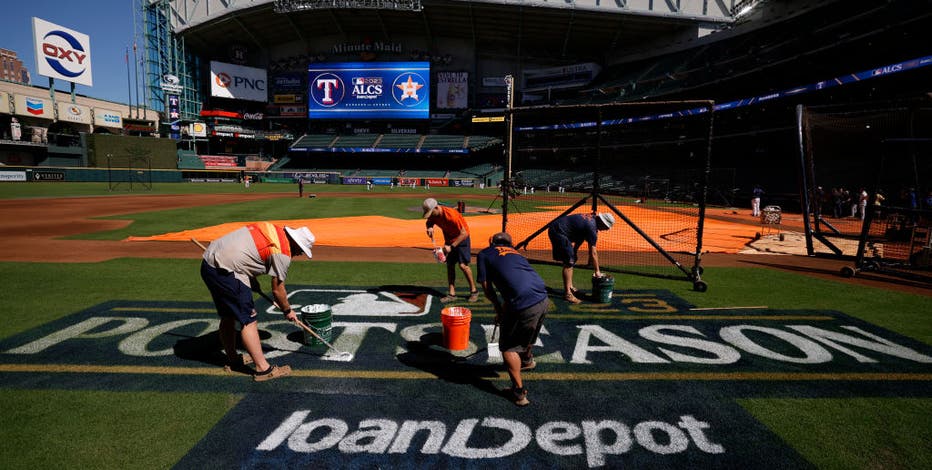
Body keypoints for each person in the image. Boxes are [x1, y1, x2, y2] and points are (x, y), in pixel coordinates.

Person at [200, 222, 315, 381]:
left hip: (209, 265)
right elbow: (277, 290)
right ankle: (263, 369)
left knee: (229, 316)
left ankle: (233, 360)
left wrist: (251, 280)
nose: (299, 254)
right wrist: (287, 310)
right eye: (301, 250)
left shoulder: (274, 230)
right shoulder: (283, 252)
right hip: (227, 271)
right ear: (296, 243)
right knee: (249, 320)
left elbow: (247, 251)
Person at [476, 232, 550, 407]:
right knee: (529, 332)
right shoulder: (516, 253)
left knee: (508, 347)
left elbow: (487, 288)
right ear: (511, 243)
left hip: (523, 302)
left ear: (490, 241)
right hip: (543, 298)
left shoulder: (485, 253)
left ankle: (519, 392)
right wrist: (504, 310)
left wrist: (497, 307)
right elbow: (517, 283)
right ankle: (527, 361)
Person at [547, 212, 615, 304]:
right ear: (602, 222)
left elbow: (581, 235)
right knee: (569, 262)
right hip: (559, 231)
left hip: (559, 229)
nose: (606, 229)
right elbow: (593, 252)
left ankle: (570, 287)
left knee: (571, 258)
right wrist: (597, 271)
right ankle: (568, 294)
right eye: (606, 227)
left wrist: (575, 250)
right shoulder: (592, 227)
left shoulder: (592, 220)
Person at [423, 197, 479, 303]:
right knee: (450, 265)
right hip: (449, 239)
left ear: (436, 207)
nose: (430, 215)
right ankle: (452, 294)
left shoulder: (451, 215)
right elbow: (429, 222)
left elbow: (464, 233)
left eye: (430, 212)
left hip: (462, 239)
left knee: (463, 265)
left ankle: (474, 291)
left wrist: (451, 247)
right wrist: (430, 227)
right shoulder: (434, 215)